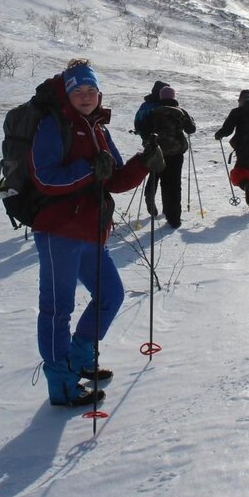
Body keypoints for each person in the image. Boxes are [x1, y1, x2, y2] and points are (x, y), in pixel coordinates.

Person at [30, 60, 165, 407]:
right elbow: (44, 178)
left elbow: (115, 179)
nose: (86, 97)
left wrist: (142, 162)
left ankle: (79, 358)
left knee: (111, 297)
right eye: (79, 91)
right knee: (57, 310)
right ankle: (61, 384)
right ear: (68, 93)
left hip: (93, 231)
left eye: (91, 91)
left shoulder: (98, 129)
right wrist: (89, 169)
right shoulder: (52, 125)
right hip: (58, 232)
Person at [137, 85, 196, 229]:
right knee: (173, 184)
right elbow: (191, 129)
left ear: (161, 97)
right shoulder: (181, 112)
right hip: (176, 153)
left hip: (157, 152)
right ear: (174, 97)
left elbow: (144, 130)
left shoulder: (153, 112)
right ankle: (173, 217)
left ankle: (150, 195)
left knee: (156, 176)